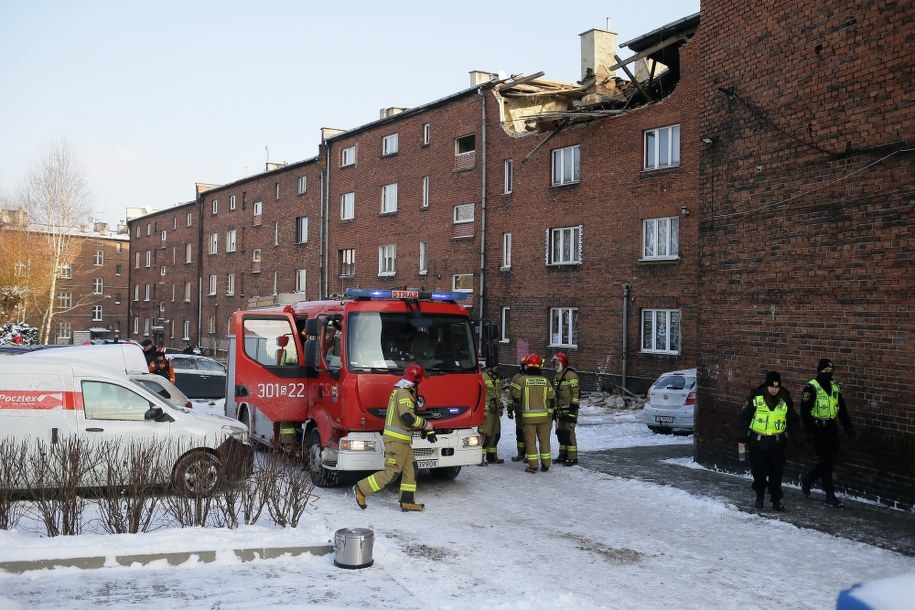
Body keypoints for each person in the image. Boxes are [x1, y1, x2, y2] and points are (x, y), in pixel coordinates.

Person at [353, 363, 434, 512]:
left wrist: (423, 428)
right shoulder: (404, 393)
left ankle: (407, 501)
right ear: (417, 380)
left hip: (403, 441)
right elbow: (407, 417)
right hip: (396, 441)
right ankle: (361, 489)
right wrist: (425, 424)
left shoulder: (402, 390)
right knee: (391, 473)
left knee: (411, 469)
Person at [737, 371, 804, 511]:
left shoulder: (784, 398)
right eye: (771, 387)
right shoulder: (756, 397)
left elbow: (793, 420)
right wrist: (742, 438)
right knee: (759, 473)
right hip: (758, 442)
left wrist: (798, 439)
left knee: (776, 473)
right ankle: (760, 495)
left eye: (777, 387)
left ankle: (776, 500)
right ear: (766, 386)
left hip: (777, 443)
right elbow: (744, 418)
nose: (774, 390)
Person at [800, 358, 855, 508]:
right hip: (818, 429)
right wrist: (809, 431)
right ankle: (830, 495)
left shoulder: (835, 386)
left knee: (829, 461)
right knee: (827, 461)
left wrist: (848, 427)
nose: (828, 373)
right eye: (825, 371)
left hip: (832, 428)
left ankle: (808, 478)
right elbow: (804, 412)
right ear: (819, 371)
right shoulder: (811, 387)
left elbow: (841, 408)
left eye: (831, 371)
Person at [510, 354, 555, 473]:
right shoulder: (546, 381)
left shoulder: (521, 380)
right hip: (544, 418)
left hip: (528, 418)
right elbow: (551, 399)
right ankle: (546, 464)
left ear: (527, 365)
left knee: (530, 442)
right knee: (545, 441)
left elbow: (516, 397)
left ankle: (533, 466)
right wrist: (550, 413)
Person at [551, 352, 580, 466]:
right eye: (554, 364)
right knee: (560, 433)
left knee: (569, 433)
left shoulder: (571, 376)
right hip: (560, 410)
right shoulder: (556, 377)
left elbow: (576, 393)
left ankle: (572, 457)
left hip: (569, 409)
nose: (555, 366)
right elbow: (555, 394)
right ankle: (562, 454)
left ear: (563, 363)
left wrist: (573, 408)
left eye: (557, 364)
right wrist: (554, 409)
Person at [479, 362, 504, 466]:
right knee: (485, 434)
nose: (497, 369)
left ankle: (492, 457)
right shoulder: (482, 377)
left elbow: (498, 394)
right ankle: (479, 458)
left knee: (495, 434)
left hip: (495, 411)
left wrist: (501, 407)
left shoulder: (496, 379)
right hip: (486, 412)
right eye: (495, 367)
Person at [507, 356, 529, 462]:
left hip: (530, 412)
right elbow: (511, 393)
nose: (527, 367)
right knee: (519, 433)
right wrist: (509, 408)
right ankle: (521, 454)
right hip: (519, 411)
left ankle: (530, 454)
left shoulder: (534, 377)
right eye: (525, 365)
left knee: (529, 434)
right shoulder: (516, 378)